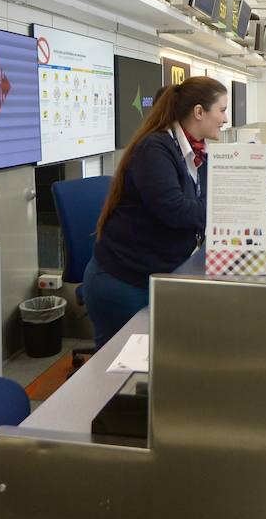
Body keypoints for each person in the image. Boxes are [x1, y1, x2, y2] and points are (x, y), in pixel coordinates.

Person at [84, 76, 227, 348]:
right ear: (199, 112)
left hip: (157, 276)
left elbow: (202, 202)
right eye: (221, 110)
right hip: (123, 283)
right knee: (117, 377)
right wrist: (225, 209)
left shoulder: (197, 154)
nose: (225, 118)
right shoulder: (156, 148)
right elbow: (176, 210)